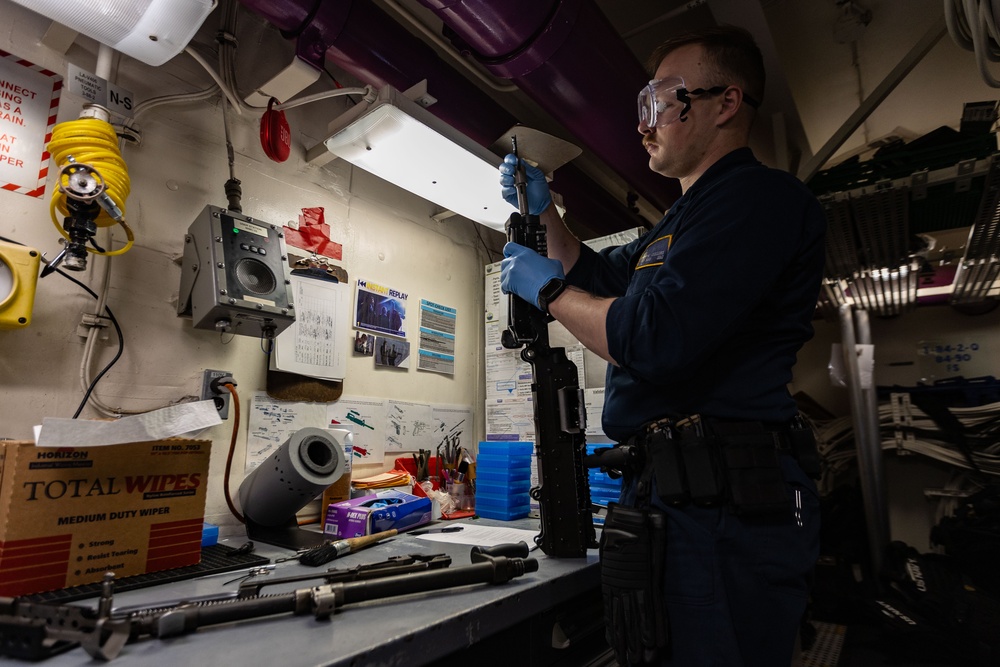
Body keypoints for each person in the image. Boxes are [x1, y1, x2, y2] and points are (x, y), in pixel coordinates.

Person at [499, 25, 826, 667]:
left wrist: (550, 297)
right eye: (639, 109)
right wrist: (546, 214)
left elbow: (654, 339)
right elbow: (597, 278)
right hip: (672, 497)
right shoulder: (675, 227)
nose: (643, 126)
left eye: (659, 104)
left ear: (726, 103)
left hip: (724, 505)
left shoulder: (756, 200)